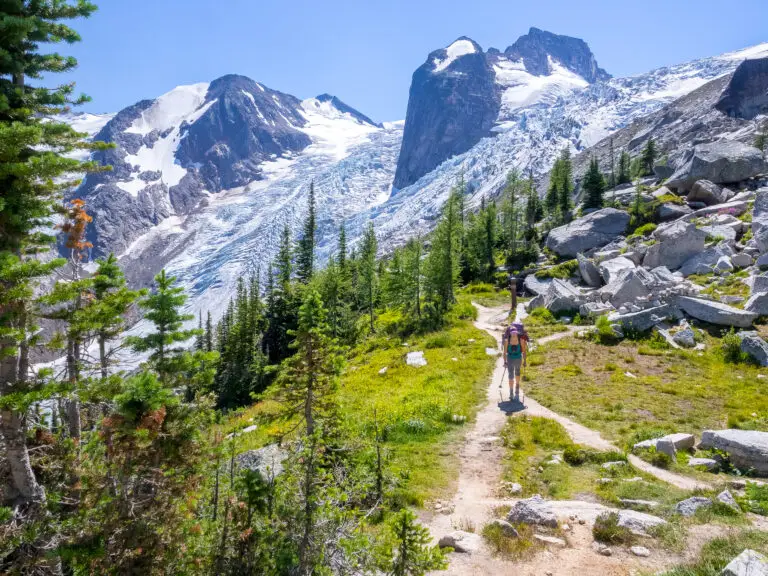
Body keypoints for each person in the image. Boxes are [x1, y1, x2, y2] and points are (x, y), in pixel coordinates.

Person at [502, 323, 528, 402]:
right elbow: (505, 352)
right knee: (510, 375)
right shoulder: (507, 341)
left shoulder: (521, 341)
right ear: (510, 333)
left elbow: (524, 352)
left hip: (518, 358)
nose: (513, 334)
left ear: (517, 333)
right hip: (510, 359)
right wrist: (505, 361)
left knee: (517, 373)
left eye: (515, 333)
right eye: (512, 333)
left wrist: (525, 361)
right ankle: (511, 392)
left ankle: (517, 385)